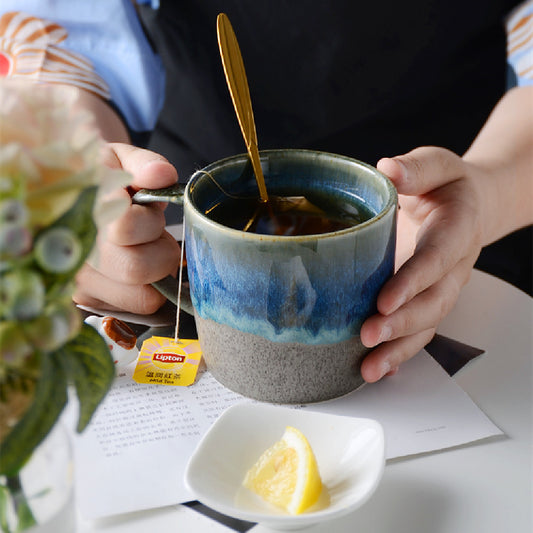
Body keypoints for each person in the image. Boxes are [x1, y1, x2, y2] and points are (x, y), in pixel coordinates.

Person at [2, 1, 531, 384]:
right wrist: (75, 167)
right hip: (182, 201)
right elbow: (66, 33)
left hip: (468, 231)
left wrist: (488, 190)